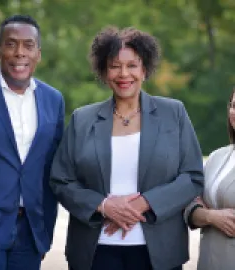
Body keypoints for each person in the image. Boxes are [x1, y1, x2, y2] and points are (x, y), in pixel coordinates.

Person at [50, 26, 203, 270]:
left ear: (144, 69)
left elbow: (192, 177)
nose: (124, 74)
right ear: (104, 70)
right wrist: (104, 206)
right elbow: (61, 181)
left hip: (160, 253)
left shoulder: (173, 113)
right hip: (94, 251)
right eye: (114, 66)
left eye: (132, 65)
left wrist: (144, 203)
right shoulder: (82, 119)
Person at [0, 15, 64, 270]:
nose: (20, 53)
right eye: (11, 44)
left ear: (38, 54)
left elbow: (51, 168)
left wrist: (44, 233)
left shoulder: (53, 100)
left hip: (30, 236)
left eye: (28, 45)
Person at [184, 88, 235, 270]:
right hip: (209, 261)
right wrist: (211, 216)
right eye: (234, 106)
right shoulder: (216, 157)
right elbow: (189, 206)